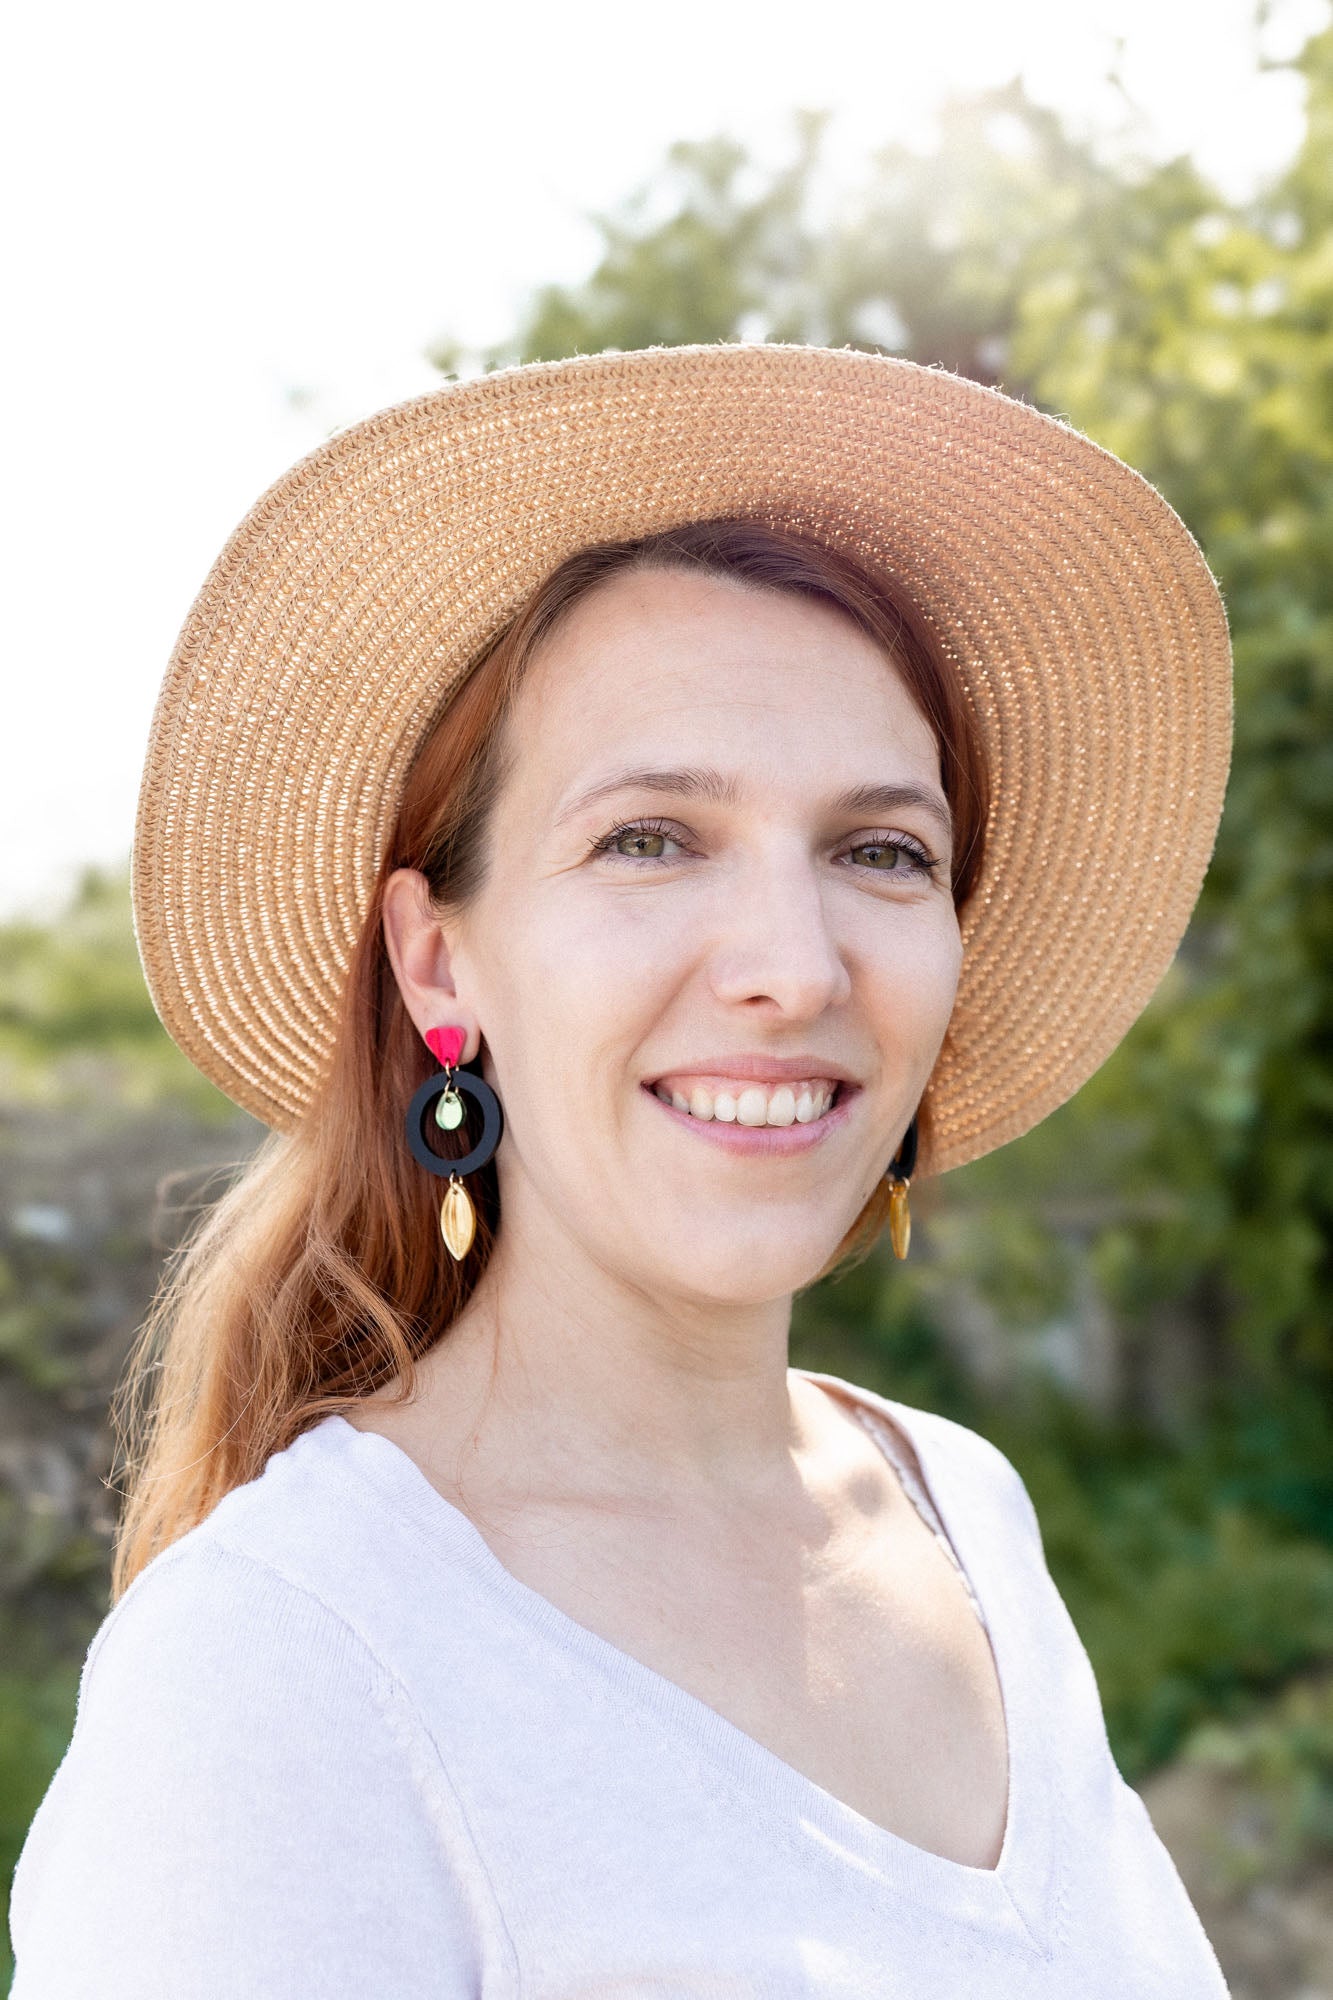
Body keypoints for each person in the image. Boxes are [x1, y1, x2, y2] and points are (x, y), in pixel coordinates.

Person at [10, 344, 1234, 1995]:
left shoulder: (964, 1513)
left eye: (881, 851)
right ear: (437, 966)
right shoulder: (282, 1671)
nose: (792, 968)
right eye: (649, 837)